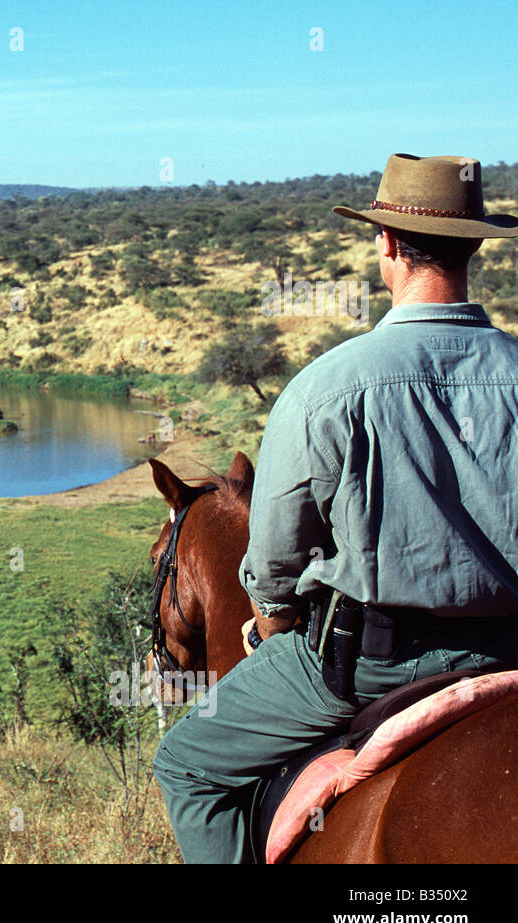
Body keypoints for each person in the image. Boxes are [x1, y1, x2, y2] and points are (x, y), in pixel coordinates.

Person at [152, 154, 518, 863]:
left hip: (370, 664)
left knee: (187, 764)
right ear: (475, 244)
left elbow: (273, 573)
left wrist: (275, 624)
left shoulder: (326, 389)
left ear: (385, 245)